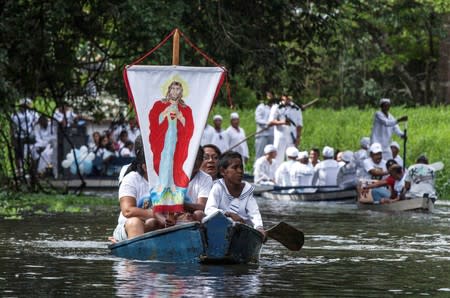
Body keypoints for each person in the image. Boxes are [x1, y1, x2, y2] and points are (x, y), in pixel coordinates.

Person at [149, 80, 194, 215]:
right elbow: (154, 121)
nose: (175, 91)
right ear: (169, 90)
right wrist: (164, 112)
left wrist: (181, 117)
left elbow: (189, 126)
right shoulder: (161, 104)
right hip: (164, 137)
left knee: (174, 157)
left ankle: (172, 183)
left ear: (181, 92)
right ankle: (163, 183)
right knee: (164, 156)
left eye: (178, 89)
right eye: (173, 88)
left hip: (176, 136)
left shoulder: (185, 108)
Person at [205, 151, 265, 238]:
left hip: (243, 229)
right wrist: (229, 214)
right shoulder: (218, 187)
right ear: (222, 171)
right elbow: (209, 209)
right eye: (235, 168)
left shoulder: (247, 190)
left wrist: (259, 227)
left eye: (241, 167)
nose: (240, 171)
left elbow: (254, 213)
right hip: (222, 228)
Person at [112, 148, 159, 242]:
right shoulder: (131, 179)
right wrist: (157, 214)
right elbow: (128, 211)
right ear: (145, 167)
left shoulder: (167, 180)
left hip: (157, 223)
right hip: (128, 225)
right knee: (135, 223)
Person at [268, 94, 303, 165]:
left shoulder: (296, 108)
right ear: (282, 97)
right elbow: (270, 122)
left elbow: (299, 125)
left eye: (289, 96)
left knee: (292, 158)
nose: (287, 98)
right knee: (278, 159)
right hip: (280, 137)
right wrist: (282, 122)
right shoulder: (276, 106)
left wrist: (298, 137)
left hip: (292, 137)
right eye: (285, 96)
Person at [184, 147, 213, 221]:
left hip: (190, 216)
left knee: (199, 214)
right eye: (193, 157)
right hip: (170, 214)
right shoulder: (172, 175)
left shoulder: (206, 178)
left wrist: (179, 204)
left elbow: (202, 206)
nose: (196, 162)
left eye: (199, 159)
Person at [11, 98, 39, 173]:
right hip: (19, 137)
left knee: (32, 153)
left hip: (30, 136)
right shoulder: (15, 115)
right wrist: (12, 138)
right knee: (18, 155)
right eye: (23, 105)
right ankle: (19, 171)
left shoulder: (33, 113)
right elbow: (12, 127)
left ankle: (32, 170)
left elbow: (37, 123)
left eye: (26, 105)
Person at [254, 92, 275, 159]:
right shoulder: (261, 107)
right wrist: (267, 123)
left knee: (271, 155)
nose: (270, 98)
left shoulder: (275, 107)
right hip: (262, 134)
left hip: (272, 134)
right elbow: (258, 119)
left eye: (271, 96)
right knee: (260, 155)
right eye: (268, 96)